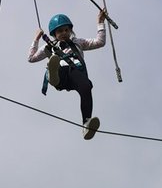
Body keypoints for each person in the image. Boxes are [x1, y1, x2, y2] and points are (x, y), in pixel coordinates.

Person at [28, 10, 107, 139]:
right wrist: (36, 38)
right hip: (61, 74)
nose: (64, 33)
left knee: (86, 87)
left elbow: (100, 42)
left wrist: (100, 22)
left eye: (66, 30)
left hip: (76, 73)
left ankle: (86, 123)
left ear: (70, 30)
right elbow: (31, 58)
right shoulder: (49, 46)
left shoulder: (78, 43)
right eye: (60, 31)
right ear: (54, 34)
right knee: (57, 64)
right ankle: (53, 74)